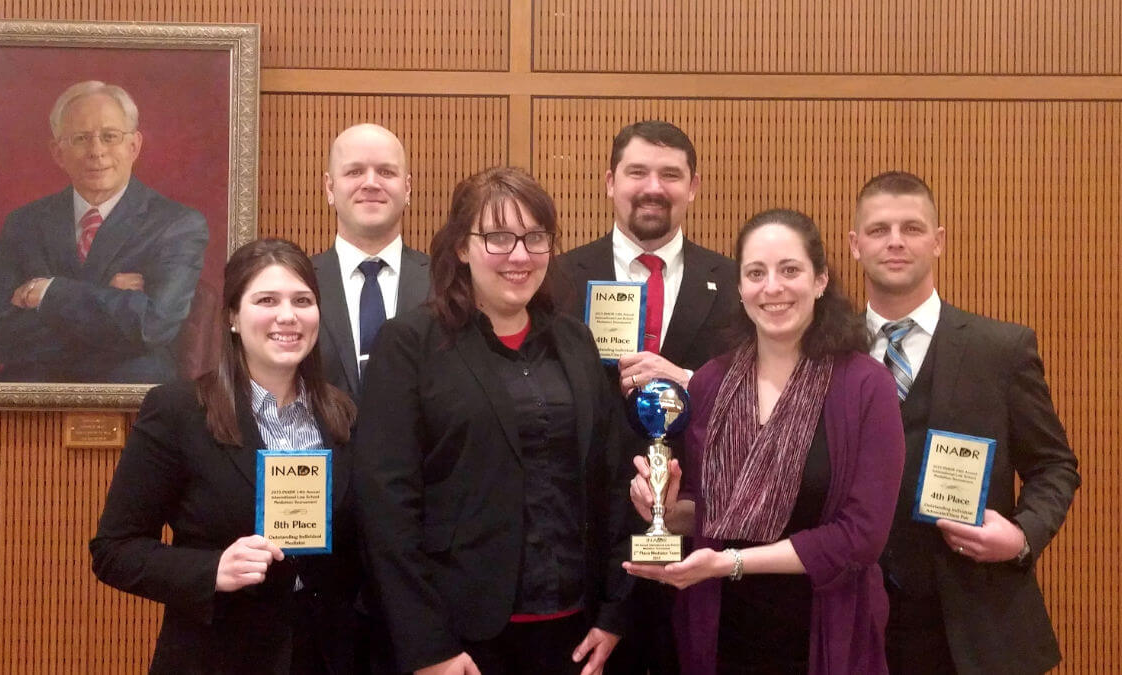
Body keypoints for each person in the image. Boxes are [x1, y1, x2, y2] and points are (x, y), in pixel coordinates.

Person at [353, 167, 633, 675]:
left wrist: (614, 611)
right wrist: (427, 645)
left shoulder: (575, 342)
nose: (520, 255)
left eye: (535, 237)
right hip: (461, 638)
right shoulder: (410, 344)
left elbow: (611, 483)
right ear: (462, 246)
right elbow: (386, 507)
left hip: (574, 627)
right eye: (498, 237)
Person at [626, 209, 906, 674]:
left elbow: (862, 537)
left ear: (820, 280)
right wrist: (664, 510)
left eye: (789, 270)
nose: (772, 287)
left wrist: (730, 562)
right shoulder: (711, 383)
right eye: (756, 273)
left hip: (822, 633)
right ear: (740, 288)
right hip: (719, 635)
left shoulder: (864, 385)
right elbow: (712, 515)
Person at [90, 239, 362, 673]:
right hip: (218, 656)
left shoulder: (346, 416)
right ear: (234, 317)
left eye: (302, 300)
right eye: (267, 300)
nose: (287, 316)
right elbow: (113, 551)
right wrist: (211, 569)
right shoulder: (179, 412)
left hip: (328, 656)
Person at [849, 171, 1080, 674]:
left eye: (912, 228)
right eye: (878, 229)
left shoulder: (1000, 350)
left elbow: (1055, 466)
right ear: (854, 245)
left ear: (938, 241)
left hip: (975, 628)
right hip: (850, 620)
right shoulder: (825, 352)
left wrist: (1021, 537)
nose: (895, 241)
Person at [556, 120, 739, 674]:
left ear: (693, 186)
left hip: (696, 534)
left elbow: (760, 398)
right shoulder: (558, 279)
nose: (652, 186)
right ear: (610, 182)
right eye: (637, 172)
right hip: (585, 539)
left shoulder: (736, 284)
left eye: (670, 175)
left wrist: (687, 377)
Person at [0, 80, 208, 383]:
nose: (96, 151)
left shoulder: (177, 224)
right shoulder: (24, 223)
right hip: (30, 403)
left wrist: (48, 293)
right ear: (58, 152)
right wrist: (107, 296)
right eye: (81, 138)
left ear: (134, 146)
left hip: (132, 399)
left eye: (110, 136)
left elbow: (152, 326)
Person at [312, 123, 430, 400]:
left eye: (386, 172)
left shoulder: (446, 282)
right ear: (330, 187)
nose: (371, 183)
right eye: (355, 172)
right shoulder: (299, 283)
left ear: (408, 187)